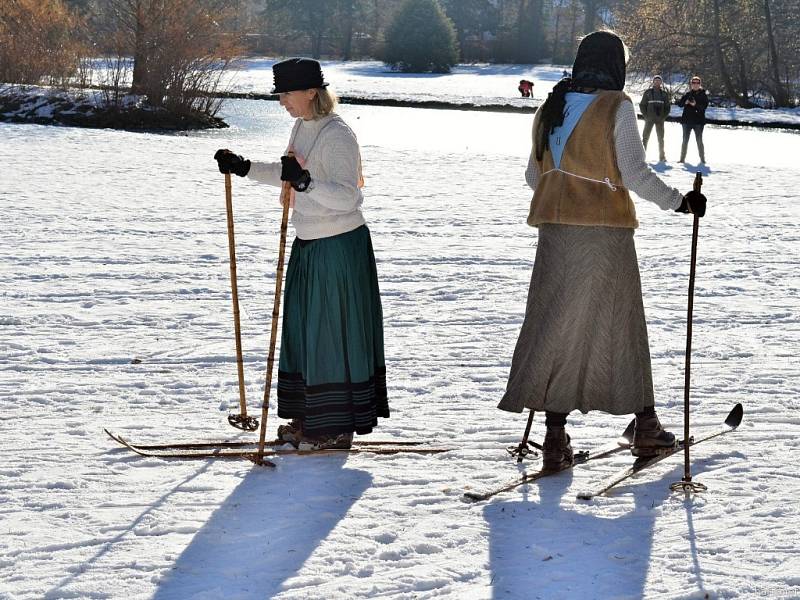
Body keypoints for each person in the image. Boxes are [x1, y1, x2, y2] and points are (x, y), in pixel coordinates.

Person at [497, 32, 707, 471]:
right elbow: (634, 171)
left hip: (554, 234)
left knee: (556, 325)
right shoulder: (616, 105)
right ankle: (646, 427)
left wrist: (567, 186)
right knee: (620, 324)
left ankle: (555, 439)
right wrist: (679, 202)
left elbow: (533, 178)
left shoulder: (550, 107)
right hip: (603, 235)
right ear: (615, 65)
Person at [214, 58, 389, 451]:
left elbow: (348, 195)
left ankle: (334, 425)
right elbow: (288, 173)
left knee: (330, 331)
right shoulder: (302, 127)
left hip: (339, 247)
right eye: (279, 95)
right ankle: (312, 415)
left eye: (286, 94)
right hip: (309, 243)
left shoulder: (337, 135)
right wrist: (243, 168)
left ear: (312, 92)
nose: (282, 102)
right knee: (308, 330)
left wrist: (306, 182)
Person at [677, 75, 709, 163]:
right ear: (691, 84)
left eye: (697, 83)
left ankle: (702, 160)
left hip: (698, 122)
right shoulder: (688, 94)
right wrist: (685, 102)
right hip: (686, 121)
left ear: (700, 84)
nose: (695, 84)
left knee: (699, 141)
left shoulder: (703, 95)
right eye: (693, 83)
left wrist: (695, 105)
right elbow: (679, 104)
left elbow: (704, 107)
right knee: (685, 141)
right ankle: (682, 159)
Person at [639, 75, 670, 162]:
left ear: (661, 82)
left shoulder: (664, 94)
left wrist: (663, 117)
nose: (657, 82)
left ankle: (662, 157)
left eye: (658, 80)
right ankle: (642, 156)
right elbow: (642, 105)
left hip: (660, 120)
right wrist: (646, 116)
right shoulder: (648, 92)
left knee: (660, 138)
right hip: (649, 119)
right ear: (653, 82)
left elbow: (668, 107)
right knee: (645, 137)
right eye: (655, 80)